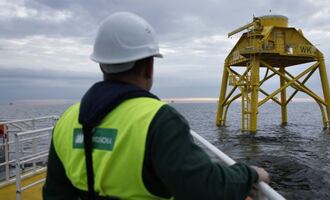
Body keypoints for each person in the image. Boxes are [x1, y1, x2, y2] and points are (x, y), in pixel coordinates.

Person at [43, 12, 269, 200]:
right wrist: (249, 174)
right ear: (149, 66)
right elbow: (205, 187)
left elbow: (54, 193)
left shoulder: (67, 119)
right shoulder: (159, 120)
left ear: (102, 64)